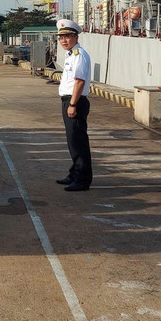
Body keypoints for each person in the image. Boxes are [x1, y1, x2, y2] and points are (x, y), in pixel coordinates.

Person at [55, 19, 93, 192]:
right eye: (61, 37)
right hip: (69, 100)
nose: (64, 40)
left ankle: (82, 179)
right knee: (73, 141)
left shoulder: (80, 55)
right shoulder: (71, 54)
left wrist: (72, 104)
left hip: (74, 101)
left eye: (68, 37)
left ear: (76, 37)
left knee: (78, 142)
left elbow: (79, 82)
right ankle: (74, 173)